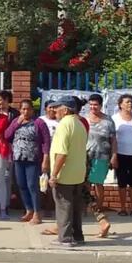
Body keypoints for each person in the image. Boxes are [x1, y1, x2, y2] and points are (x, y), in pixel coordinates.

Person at [49, 95, 88, 248]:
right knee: (76, 208)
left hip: (65, 174)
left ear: (65, 110)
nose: (55, 111)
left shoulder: (64, 125)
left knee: (64, 206)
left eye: (57, 108)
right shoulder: (79, 124)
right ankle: (78, 236)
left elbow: (61, 153)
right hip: (78, 172)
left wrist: (54, 175)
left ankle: (65, 238)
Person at [5, 99, 51, 224]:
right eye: (23, 109)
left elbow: (46, 142)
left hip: (33, 158)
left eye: (28, 109)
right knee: (21, 185)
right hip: (18, 158)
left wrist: (45, 159)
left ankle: (37, 212)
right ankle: (28, 209)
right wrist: (16, 124)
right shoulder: (16, 121)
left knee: (32, 185)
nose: (25, 111)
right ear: (20, 110)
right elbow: (7, 136)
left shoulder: (38, 122)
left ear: (32, 110)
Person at [86, 93, 117, 214]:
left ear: (101, 105)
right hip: (86, 156)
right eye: (91, 105)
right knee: (86, 183)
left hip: (102, 156)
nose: (93, 107)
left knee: (98, 183)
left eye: (96, 105)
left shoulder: (108, 120)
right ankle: (87, 206)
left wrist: (114, 156)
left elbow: (113, 140)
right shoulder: (85, 119)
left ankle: (98, 208)